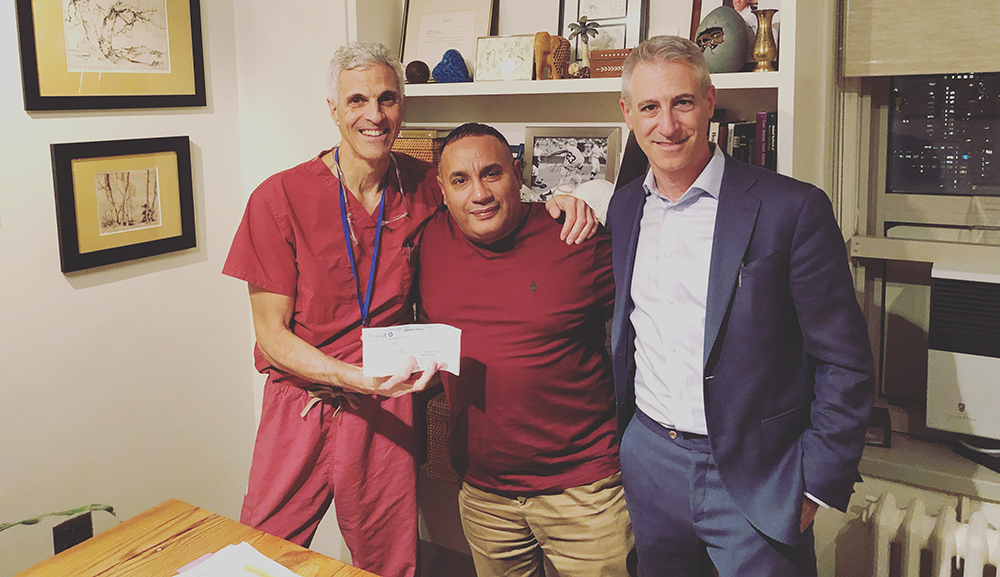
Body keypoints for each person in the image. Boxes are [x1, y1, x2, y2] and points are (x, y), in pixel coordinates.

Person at [223, 42, 597, 577]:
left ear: (403, 107)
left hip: (386, 402)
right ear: (333, 109)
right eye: (356, 100)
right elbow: (270, 336)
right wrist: (352, 377)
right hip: (302, 401)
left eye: (387, 99)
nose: (373, 115)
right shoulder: (278, 198)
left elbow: (494, 198)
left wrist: (564, 199)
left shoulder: (424, 185)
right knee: (261, 553)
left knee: (389, 561)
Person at [607, 35, 874, 576]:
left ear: (709, 101)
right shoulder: (625, 206)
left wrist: (816, 483)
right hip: (650, 460)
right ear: (628, 115)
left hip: (759, 475)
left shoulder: (791, 208)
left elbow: (844, 362)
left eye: (682, 102)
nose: (668, 124)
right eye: (650, 108)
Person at [418, 123, 632, 577]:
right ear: (442, 189)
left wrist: (586, 196)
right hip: (483, 495)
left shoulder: (574, 236)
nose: (479, 193)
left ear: (517, 173)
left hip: (585, 491)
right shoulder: (427, 242)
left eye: (491, 173)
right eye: (460, 180)